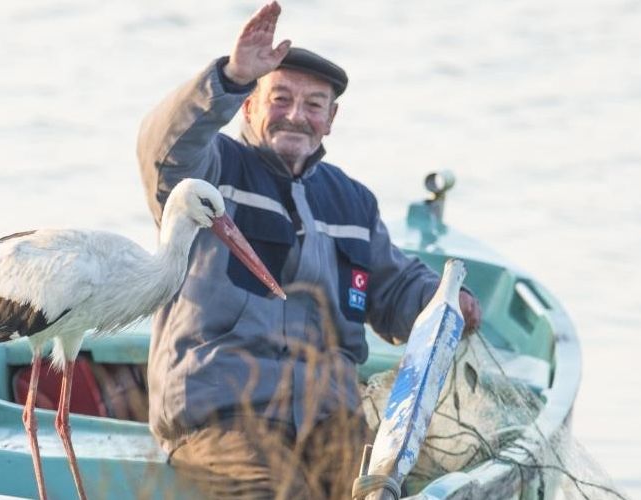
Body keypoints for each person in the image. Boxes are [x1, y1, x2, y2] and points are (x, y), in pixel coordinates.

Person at [136, 2, 482, 498]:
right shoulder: (213, 172)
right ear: (250, 106)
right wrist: (230, 76)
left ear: (331, 119)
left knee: (379, 491)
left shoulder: (352, 201)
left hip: (328, 421)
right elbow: (163, 148)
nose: (296, 116)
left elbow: (395, 288)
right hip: (222, 416)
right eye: (280, 98)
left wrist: (449, 301)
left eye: (314, 104)